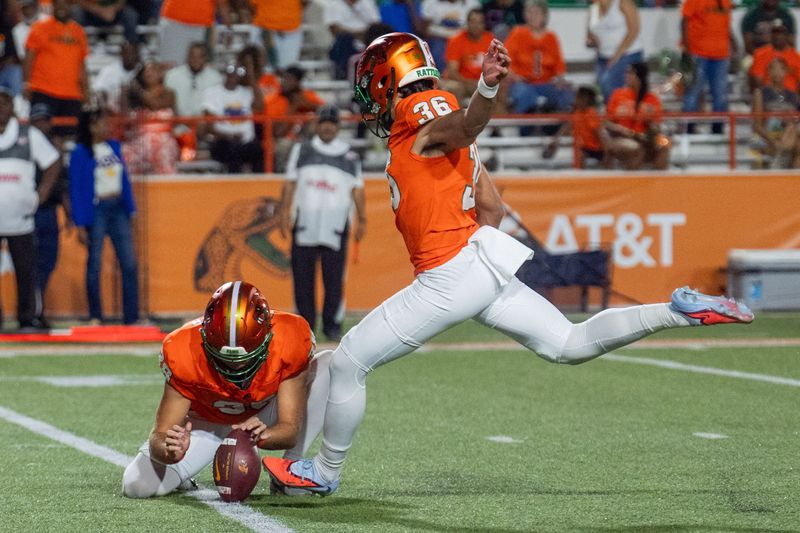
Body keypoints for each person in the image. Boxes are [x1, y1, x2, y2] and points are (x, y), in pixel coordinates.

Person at [263, 31, 754, 496]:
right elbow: (492, 209)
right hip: (479, 259)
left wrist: (487, 86)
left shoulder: (419, 110)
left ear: (387, 80)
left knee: (349, 361)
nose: (369, 100)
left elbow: (465, 123)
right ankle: (676, 311)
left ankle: (324, 472)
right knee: (569, 342)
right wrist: (475, 269)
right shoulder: (441, 132)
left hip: (450, 271)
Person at [122, 280, 333, 498]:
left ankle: (290, 471)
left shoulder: (289, 336)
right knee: (136, 486)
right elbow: (161, 433)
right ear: (205, 338)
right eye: (223, 359)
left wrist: (264, 435)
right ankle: (182, 473)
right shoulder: (183, 348)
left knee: (329, 364)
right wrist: (169, 450)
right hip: (207, 425)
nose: (235, 367)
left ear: (267, 338)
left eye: (246, 360)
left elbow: (289, 429)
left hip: (261, 417)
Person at [279, 105, 367, 342]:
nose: (327, 126)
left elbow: (357, 189)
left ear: (338, 126)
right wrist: (283, 212)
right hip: (305, 222)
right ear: (317, 125)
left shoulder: (349, 155)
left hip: (336, 224)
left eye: (332, 122)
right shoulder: (302, 150)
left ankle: (332, 325)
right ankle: (304, 327)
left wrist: (362, 219)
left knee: (334, 280)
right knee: (303, 280)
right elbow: (289, 183)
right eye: (323, 122)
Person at [69, 108, 140, 325]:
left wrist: (131, 209)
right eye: (102, 123)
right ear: (91, 127)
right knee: (95, 263)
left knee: (129, 263)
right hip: (97, 208)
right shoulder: (80, 152)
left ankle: (131, 317)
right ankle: (95, 315)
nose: (107, 126)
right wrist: (80, 223)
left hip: (117, 206)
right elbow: (77, 189)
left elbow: (124, 180)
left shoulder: (114, 147)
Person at [0, 87, 60, 331]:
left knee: (26, 271)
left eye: (4, 103)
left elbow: (53, 161)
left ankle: (29, 317)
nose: (1, 108)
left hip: (21, 218)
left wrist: (41, 193)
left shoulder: (29, 134)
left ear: (12, 107)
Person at [30, 102, 69, 328]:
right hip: (32, 212)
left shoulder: (54, 148)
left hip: (50, 212)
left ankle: (38, 308)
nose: (42, 125)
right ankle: (34, 310)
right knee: (33, 264)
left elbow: (61, 185)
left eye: (45, 120)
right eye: (38, 121)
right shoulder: (26, 146)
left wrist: (68, 213)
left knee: (48, 262)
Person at [23, 0, 89, 136]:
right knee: (40, 132)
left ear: (71, 5)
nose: (61, 7)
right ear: (52, 6)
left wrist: (86, 92)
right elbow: (29, 58)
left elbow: (81, 64)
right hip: (43, 90)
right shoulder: (39, 27)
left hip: (71, 94)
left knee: (69, 136)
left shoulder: (79, 32)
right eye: (57, 3)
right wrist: (26, 84)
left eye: (65, 3)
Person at [504, 0, 573, 116]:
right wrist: (514, 76)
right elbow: (504, 60)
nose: (532, 16)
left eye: (536, 13)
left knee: (567, 94)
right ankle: (525, 130)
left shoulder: (551, 37)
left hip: (545, 83)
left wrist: (561, 80)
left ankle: (556, 129)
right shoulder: (518, 33)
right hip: (522, 82)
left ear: (544, 16)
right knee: (525, 94)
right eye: (529, 13)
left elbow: (559, 66)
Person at [202, 56, 264, 173]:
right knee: (232, 151)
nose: (234, 74)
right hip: (222, 142)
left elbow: (260, 106)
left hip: (246, 143)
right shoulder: (212, 92)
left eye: (239, 71)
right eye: (231, 69)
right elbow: (209, 125)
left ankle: (260, 188)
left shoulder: (247, 92)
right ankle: (234, 190)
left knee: (260, 152)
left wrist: (250, 75)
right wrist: (230, 136)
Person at [680, 0, 734, 135]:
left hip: (721, 55)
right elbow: (684, 22)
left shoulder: (726, 2)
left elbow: (725, 25)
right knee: (692, 93)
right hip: (698, 53)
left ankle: (717, 130)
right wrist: (687, 49)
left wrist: (733, 42)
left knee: (720, 96)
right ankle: (689, 129)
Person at [604, 62, 670, 171]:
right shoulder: (618, 94)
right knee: (636, 148)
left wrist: (650, 125)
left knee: (665, 143)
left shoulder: (652, 99)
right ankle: (631, 184)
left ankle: (659, 181)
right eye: (626, 72)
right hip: (622, 138)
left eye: (630, 72)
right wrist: (621, 129)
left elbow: (657, 127)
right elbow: (606, 122)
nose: (626, 75)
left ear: (640, 76)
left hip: (645, 137)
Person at [263, 65, 325, 172]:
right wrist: (293, 107)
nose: (284, 82)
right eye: (283, 78)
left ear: (298, 82)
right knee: (284, 145)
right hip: (283, 140)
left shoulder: (307, 96)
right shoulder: (273, 100)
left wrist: (310, 106)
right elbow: (278, 132)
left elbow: (327, 111)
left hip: (307, 139)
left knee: (314, 122)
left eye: (289, 79)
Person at [123, 61, 179, 174]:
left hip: (164, 140)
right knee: (124, 154)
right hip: (140, 140)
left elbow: (155, 104)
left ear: (160, 74)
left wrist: (138, 90)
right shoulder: (135, 97)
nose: (148, 73)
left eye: (153, 70)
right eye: (146, 70)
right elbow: (125, 115)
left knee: (163, 153)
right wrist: (126, 92)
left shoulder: (169, 93)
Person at [586, 0, 643, 103]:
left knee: (612, 89)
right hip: (603, 57)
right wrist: (592, 41)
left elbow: (634, 30)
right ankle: (613, 115)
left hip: (628, 54)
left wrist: (616, 55)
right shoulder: (592, 9)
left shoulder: (623, 2)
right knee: (605, 92)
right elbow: (589, 36)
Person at [751, 57, 800, 169]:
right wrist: (772, 140)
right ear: (769, 72)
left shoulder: (794, 96)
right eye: (774, 69)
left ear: (786, 71)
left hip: (787, 133)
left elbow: (796, 120)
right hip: (767, 135)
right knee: (797, 145)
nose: (777, 73)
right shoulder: (761, 93)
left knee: (796, 137)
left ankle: (782, 158)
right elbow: (757, 126)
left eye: (781, 69)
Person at [543, 85, 608, 169]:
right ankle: (580, 177)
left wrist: (606, 151)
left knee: (606, 159)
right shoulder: (576, 112)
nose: (575, 100)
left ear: (585, 99)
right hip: (584, 148)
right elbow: (567, 126)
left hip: (597, 148)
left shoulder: (591, 114)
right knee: (579, 155)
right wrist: (556, 139)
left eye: (577, 97)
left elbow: (598, 133)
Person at [158, 0, 231, 67]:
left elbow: (222, 3)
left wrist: (228, 29)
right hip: (174, 20)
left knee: (202, 69)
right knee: (171, 68)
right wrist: (228, 29)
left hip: (201, 25)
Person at [443, 8, 494, 104]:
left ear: (484, 25)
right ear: (467, 23)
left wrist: (484, 84)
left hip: (482, 83)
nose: (476, 26)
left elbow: (494, 69)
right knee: (456, 88)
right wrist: (471, 83)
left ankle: (498, 119)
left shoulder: (491, 40)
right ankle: (457, 119)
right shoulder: (456, 40)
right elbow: (452, 72)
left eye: (480, 22)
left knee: (499, 91)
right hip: (461, 81)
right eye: (473, 22)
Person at [164, 41, 223, 118]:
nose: (196, 60)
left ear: (206, 58)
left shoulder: (216, 78)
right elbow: (167, 104)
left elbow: (217, 106)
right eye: (192, 56)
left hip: (204, 125)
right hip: (177, 123)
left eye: (200, 56)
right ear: (187, 57)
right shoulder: (172, 76)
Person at [324, 0, 380, 80]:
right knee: (344, 38)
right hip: (344, 44)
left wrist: (361, 34)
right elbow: (334, 29)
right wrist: (357, 34)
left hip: (365, 41)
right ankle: (342, 73)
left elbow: (376, 25)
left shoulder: (368, 2)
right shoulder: (333, 3)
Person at [421, 0, 480, 74]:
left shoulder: (472, 3)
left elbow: (478, 26)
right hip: (438, 39)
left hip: (464, 39)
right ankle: (441, 78)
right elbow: (423, 31)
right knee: (438, 48)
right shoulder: (430, 2)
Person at [252, 0, 307, 70]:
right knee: (262, 70)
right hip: (265, 31)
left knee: (287, 71)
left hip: (291, 33)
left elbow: (305, 2)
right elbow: (250, 5)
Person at [748, 19, 800, 93]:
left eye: (781, 33)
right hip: (768, 97)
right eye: (775, 33)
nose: (777, 36)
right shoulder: (760, 54)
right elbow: (757, 82)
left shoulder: (796, 57)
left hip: (791, 98)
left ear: (787, 35)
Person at [92, 41, 141, 113]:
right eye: (127, 53)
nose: (130, 56)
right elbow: (98, 90)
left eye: (133, 53)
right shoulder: (109, 70)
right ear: (121, 54)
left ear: (137, 55)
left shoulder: (142, 71)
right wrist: (105, 108)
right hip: (112, 111)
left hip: (137, 111)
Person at [72, 0, 140, 44]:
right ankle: (77, 45)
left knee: (130, 13)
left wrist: (113, 9)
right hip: (92, 12)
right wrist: (98, 10)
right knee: (76, 12)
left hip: (113, 12)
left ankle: (130, 47)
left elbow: (122, 1)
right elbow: (80, 1)